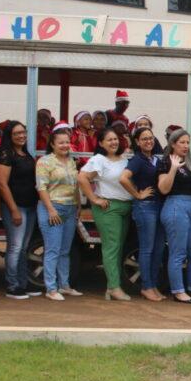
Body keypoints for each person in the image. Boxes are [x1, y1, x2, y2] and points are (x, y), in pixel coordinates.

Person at [79, 127, 134, 301]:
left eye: (115, 139)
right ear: (101, 143)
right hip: (108, 208)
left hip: (125, 207)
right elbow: (81, 178)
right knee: (112, 247)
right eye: (109, 140)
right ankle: (113, 287)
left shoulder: (124, 159)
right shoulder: (99, 160)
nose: (113, 142)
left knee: (118, 247)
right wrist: (94, 199)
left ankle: (113, 285)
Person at [156, 129, 191, 304]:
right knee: (178, 252)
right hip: (175, 206)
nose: (185, 146)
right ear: (173, 144)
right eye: (182, 142)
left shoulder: (189, 163)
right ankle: (178, 290)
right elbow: (163, 188)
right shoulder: (166, 162)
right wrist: (173, 170)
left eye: (187, 142)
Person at [0, 121, 39, 299]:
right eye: (16, 133)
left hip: (30, 206)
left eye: (23, 132)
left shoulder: (26, 153)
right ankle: (12, 285)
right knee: (15, 247)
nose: (21, 136)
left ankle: (23, 283)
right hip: (15, 206)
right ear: (9, 136)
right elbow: (1, 184)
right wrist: (13, 210)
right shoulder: (5, 154)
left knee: (24, 248)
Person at [119, 126, 165, 302]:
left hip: (158, 206)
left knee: (159, 248)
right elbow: (123, 178)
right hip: (145, 207)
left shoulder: (154, 159)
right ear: (137, 142)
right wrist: (137, 194)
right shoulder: (138, 160)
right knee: (147, 249)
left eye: (151, 138)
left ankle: (153, 285)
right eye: (144, 139)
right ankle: (146, 286)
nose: (148, 141)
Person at [35, 127, 81, 301]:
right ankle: (51, 288)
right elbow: (41, 187)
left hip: (70, 208)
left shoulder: (71, 161)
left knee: (65, 250)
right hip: (52, 207)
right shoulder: (44, 162)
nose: (65, 145)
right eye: (61, 142)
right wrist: (51, 209)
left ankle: (65, 285)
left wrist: (77, 204)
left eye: (67, 142)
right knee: (53, 250)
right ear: (52, 144)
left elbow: (75, 185)